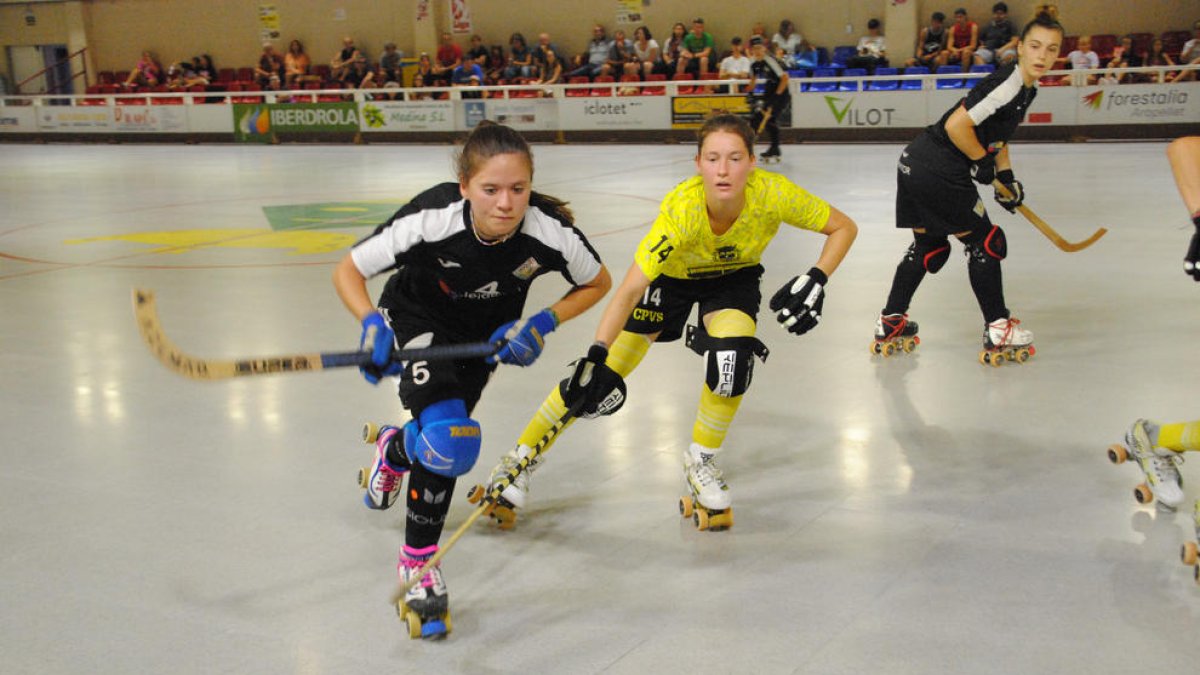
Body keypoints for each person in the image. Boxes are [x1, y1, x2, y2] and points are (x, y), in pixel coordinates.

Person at [480, 113, 856, 532]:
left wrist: (817, 277)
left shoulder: (774, 193)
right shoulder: (681, 211)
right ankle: (519, 459)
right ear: (698, 164)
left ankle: (702, 463)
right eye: (712, 158)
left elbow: (843, 227)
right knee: (597, 377)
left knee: (733, 360)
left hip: (733, 280)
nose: (723, 169)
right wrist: (597, 353)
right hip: (672, 281)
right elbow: (628, 290)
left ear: (752, 162)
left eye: (734, 158)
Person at [333, 121, 611, 638]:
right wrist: (372, 325)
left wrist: (542, 323)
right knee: (451, 441)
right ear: (465, 186)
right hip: (416, 319)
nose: (506, 203)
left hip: (482, 342)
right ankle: (418, 564)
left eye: (518, 189)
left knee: (441, 438)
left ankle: (395, 449)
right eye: (490, 189)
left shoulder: (547, 232)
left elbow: (597, 281)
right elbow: (348, 270)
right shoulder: (432, 218)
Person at [872, 12, 1065, 365]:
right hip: (939, 168)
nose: (1042, 55)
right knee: (986, 243)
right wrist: (981, 161)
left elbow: (997, 137)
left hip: (913, 162)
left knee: (930, 246)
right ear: (1021, 47)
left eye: (1051, 49)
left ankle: (891, 321)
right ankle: (998, 327)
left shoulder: (1026, 88)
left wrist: (1006, 176)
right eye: (1035, 46)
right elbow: (957, 126)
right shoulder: (1008, 84)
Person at [748, 35, 789, 161]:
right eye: (755, 48)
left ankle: (773, 148)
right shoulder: (753, 63)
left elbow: (785, 78)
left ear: (764, 48)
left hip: (781, 91)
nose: (757, 51)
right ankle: (752, 147)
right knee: (757, 119)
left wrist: (776, 97)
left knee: (768, 119)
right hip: (769, 89)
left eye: (759, 48)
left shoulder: (771, 60)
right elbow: (753, 79)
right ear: (751, 50)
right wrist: (750, 93)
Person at [976, 2, 1018, 67]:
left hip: (1005, 50)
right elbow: (981, 39)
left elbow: (1015, 41)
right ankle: (986, 73)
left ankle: (1002, 73)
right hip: (989, 50)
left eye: (1001, 13)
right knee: (977, 56)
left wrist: (1002, 49)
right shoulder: (987, 26)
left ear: (1005, 14)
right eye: (996, 13)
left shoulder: (1010, 25)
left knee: (1010, 56)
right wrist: (981, 46)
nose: (998, 16)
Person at [941, 8, 979, 73]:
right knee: (944, 53)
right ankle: (943, 76)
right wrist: (954, 50)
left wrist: (959, 50)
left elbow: (973, 46)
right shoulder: (953, 28)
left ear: (965, 17)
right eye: (956, 17)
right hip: (956, 51)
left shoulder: (973, 27)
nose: (958, 19)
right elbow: (949, 46)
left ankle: (964, 76)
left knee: (966, 53)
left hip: (968, 51)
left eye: (960, 17)